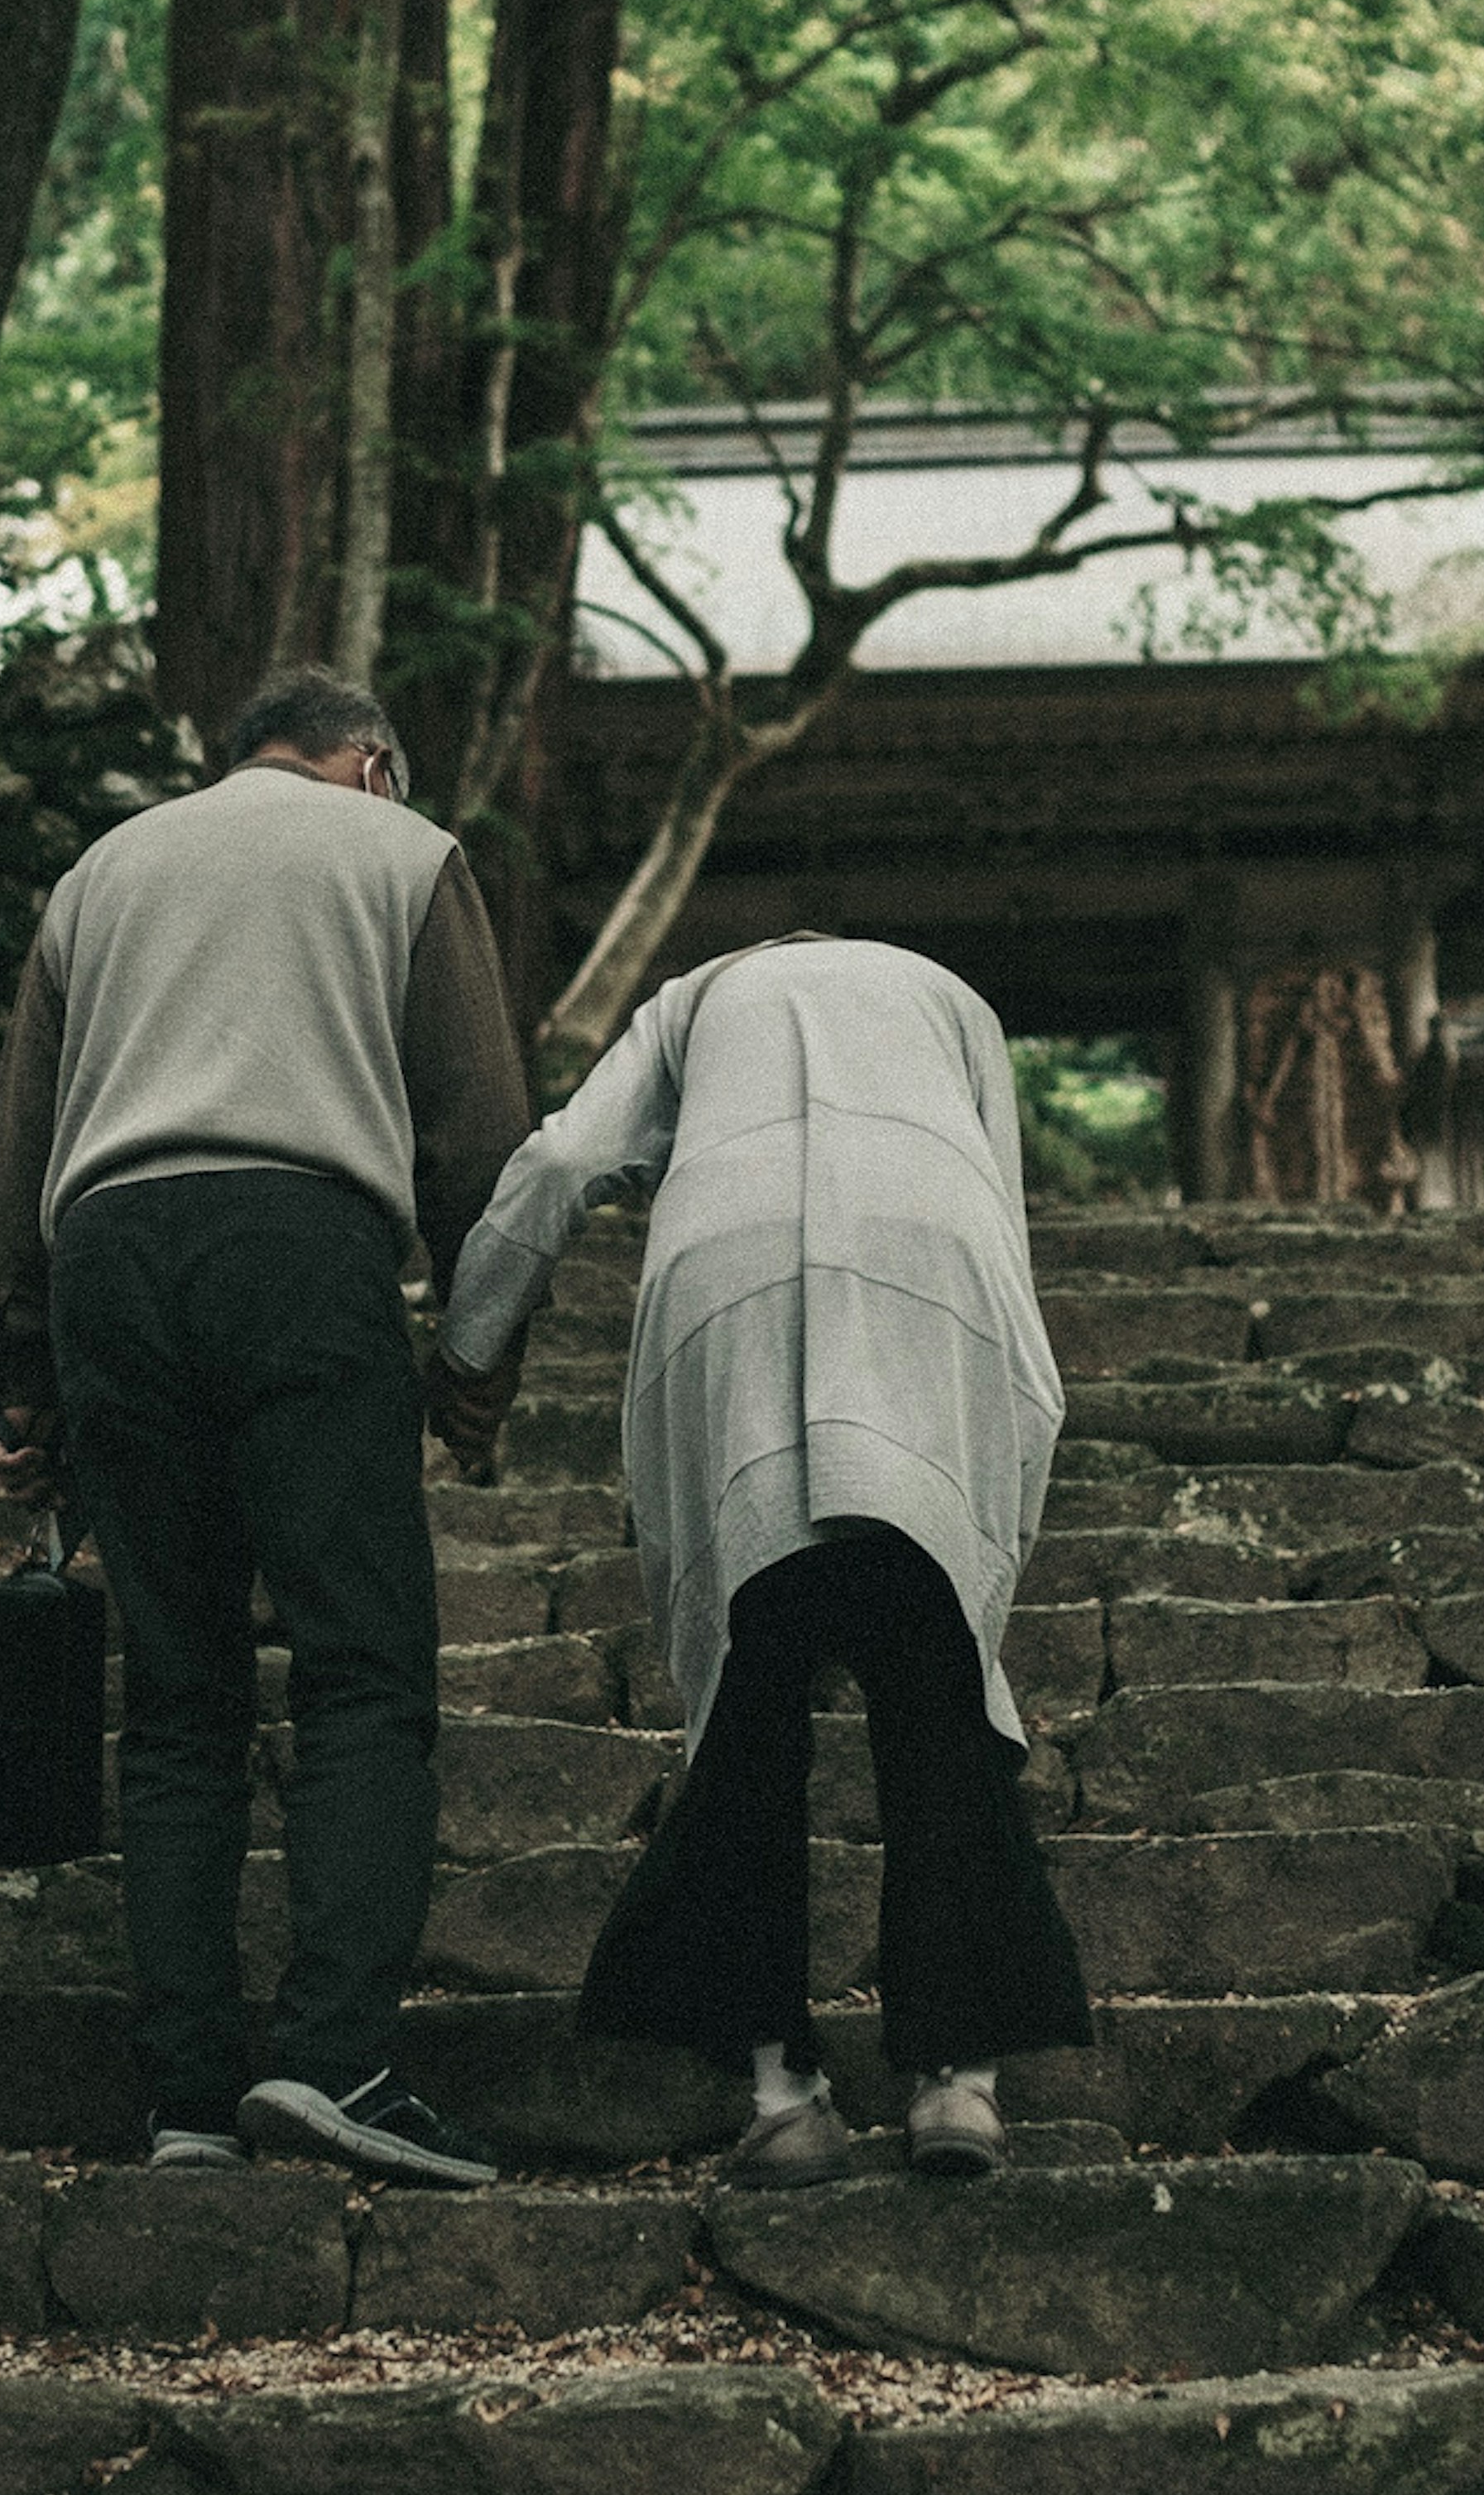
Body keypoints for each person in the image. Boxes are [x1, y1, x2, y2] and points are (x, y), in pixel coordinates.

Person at [0, 669, 529, 2185]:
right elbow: (481, 1136)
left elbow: (21, 1136)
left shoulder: (103, 873)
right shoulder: (404, 857)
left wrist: (19, 1368)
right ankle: (338, 2055)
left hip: (113, 1258)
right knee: (359, 1668)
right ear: (371, 762)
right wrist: (476, 1360)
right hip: (301, 1244)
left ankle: (187, 2101)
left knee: (177, 1694)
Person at [434, 935, 1091, 2183]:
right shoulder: (953, 990)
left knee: (752, 1684)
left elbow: (567, 1156)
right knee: (936, 1670)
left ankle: (783, 2093)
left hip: (724, 1276)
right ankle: (960, 2086)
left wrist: (472, 1349)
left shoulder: (698, 993)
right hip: (928, 1265)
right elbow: (994, 1200)